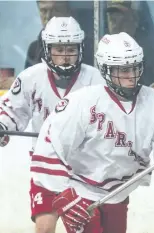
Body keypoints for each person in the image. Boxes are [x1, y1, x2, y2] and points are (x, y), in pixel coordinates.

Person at [29, 32, 154, 233]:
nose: (131, 76)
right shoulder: (81, 102)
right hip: (79, 189)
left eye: (134, 68)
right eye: (123, 70)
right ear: (106, 70)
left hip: (118, 193)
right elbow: (49, 147)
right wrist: (65, 195)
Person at [0, 16, 104, 233]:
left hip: (84, 171)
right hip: (45, 166)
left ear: (80, 48)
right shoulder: (30, 78)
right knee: (44, 227)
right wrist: (2, 126)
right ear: (46, 49)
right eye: (58, 49)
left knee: (85, 228)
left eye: (70, 49)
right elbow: (11, 111)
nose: (65, 57)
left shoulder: (96, 80)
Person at [25, 0, 72, 69]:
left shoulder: (86, 46)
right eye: (43, 10)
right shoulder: (34, 48)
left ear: (67, 12)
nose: (48, 16)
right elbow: (26, 78)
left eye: (55, 10)